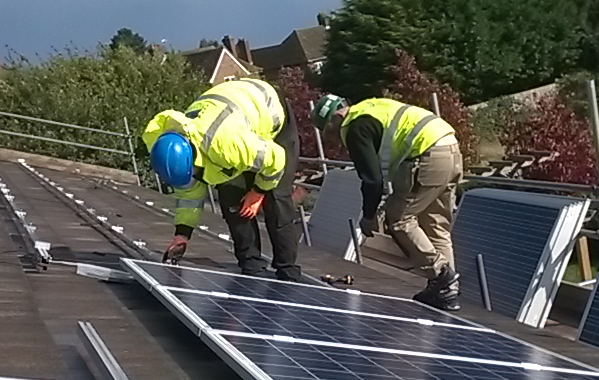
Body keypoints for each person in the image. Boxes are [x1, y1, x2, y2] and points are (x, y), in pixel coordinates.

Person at [311, 94, 463, 311]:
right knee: (435, 225)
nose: (333, 139)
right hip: (450, 145)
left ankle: (441, 274)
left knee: (398, 219)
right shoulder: (369, 107)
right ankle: (448, 292)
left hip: (426, 153)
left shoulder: (355, 127)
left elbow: (373, 180)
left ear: (335, 119)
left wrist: (368, 216)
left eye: (328, 132)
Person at [142, 78, 302, 281]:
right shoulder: (173, 148)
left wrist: (258, 192)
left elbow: (275, 159)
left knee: (276, 197)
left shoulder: (225, 145)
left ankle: (287, 271)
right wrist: (182, 235)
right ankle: (252, 265)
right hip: (235, 118)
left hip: (271, 113)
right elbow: (189, 194)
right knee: (232, 197)